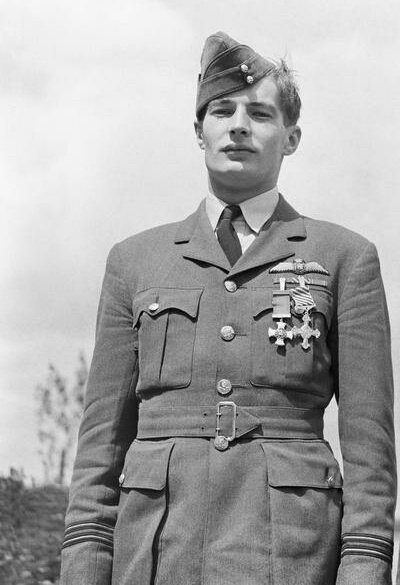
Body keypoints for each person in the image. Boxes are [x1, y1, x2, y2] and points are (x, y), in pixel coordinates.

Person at [60, 31, 397, 585]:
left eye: (260, 114)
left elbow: (370, 448)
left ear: (291, 138)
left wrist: (364, 565)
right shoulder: (134, 261)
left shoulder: (344, 257)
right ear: (199, 132)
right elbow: (100, 447)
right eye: (222, 111)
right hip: (156, 557)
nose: (239, 125)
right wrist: (84, 567)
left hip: (293, 557)